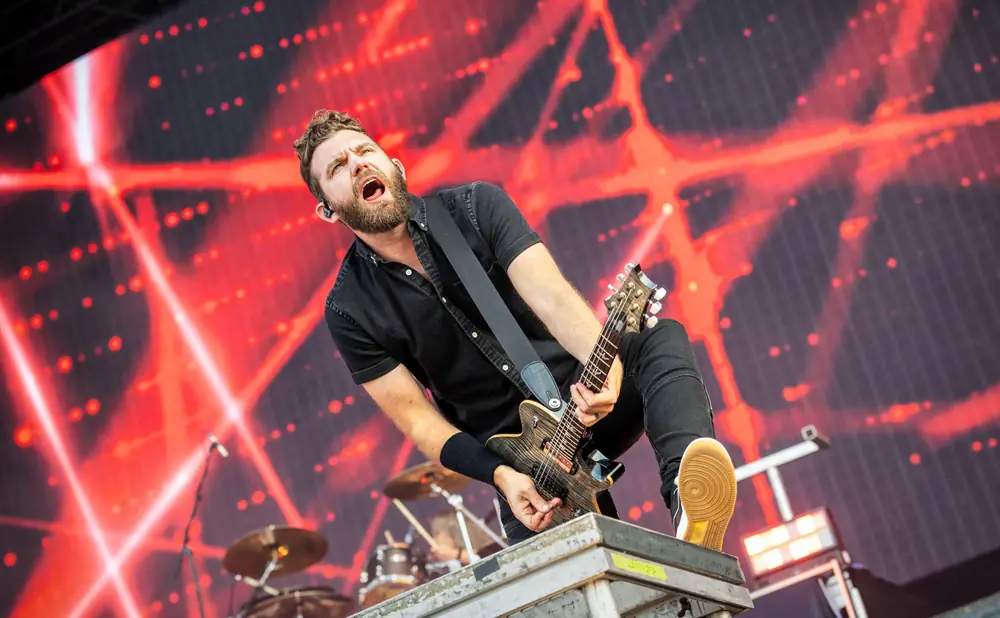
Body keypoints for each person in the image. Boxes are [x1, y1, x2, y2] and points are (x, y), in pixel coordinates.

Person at [293, 110, 738, 550]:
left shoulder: (475, 207)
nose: (358, 164)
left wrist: (605, 372)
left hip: (584, 397)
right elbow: (418, 421)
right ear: (328, 210)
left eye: (365, 151)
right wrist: (502, 476)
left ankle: (688, 501)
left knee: (659, 339)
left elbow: (552, 296)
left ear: (396, 167)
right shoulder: (349, 308)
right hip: (527, 471)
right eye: (338, 166)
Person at [426, 510, 498, 566]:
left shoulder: (492, 550)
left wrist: (456, 554)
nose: (435, 539)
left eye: (437, 533)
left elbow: (493, 567)